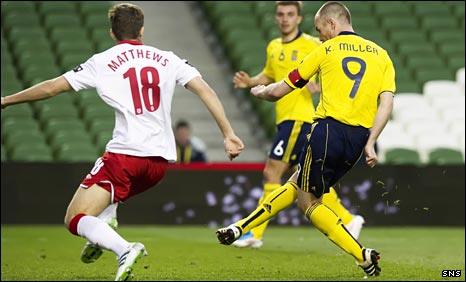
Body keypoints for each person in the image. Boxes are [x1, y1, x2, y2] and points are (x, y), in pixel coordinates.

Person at [1, 3, 244, 281]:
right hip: (159, 165)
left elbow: (51, 88)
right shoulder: (168, 58)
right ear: (141, 29)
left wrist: (6, 100)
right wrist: (228, 133)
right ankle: (106, 220)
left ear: (112, 33)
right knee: (104, 191)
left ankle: (123, 248)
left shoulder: (102, 61)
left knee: (74, 219)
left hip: (126, 158)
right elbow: (205, 89)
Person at [217, 1, 395, 277]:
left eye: (320, 28)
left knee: (307, 201)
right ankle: (241, 227)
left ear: (332, 24)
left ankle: (362, 254)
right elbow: (386, 103)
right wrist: (372, 141)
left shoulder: (325, 49)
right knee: (297, 183)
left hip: (327, 131)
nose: (320, 34)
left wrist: (260, 91)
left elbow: (280, 90)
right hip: (358, 140)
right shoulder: (382, 55)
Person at [231, 1, 364, 249]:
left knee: (272, 172)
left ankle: (254, 233)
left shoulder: (314, 44)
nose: (285, 19)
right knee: (302, 177)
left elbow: (338, 71)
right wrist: (250, 81)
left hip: (299, 118)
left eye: (290, 14)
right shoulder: (273, 46)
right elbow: (269, 76)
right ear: (275, 18)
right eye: (281, 14)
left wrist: (319, 85)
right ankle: (348, 219)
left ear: (299, 18)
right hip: (285, 117)